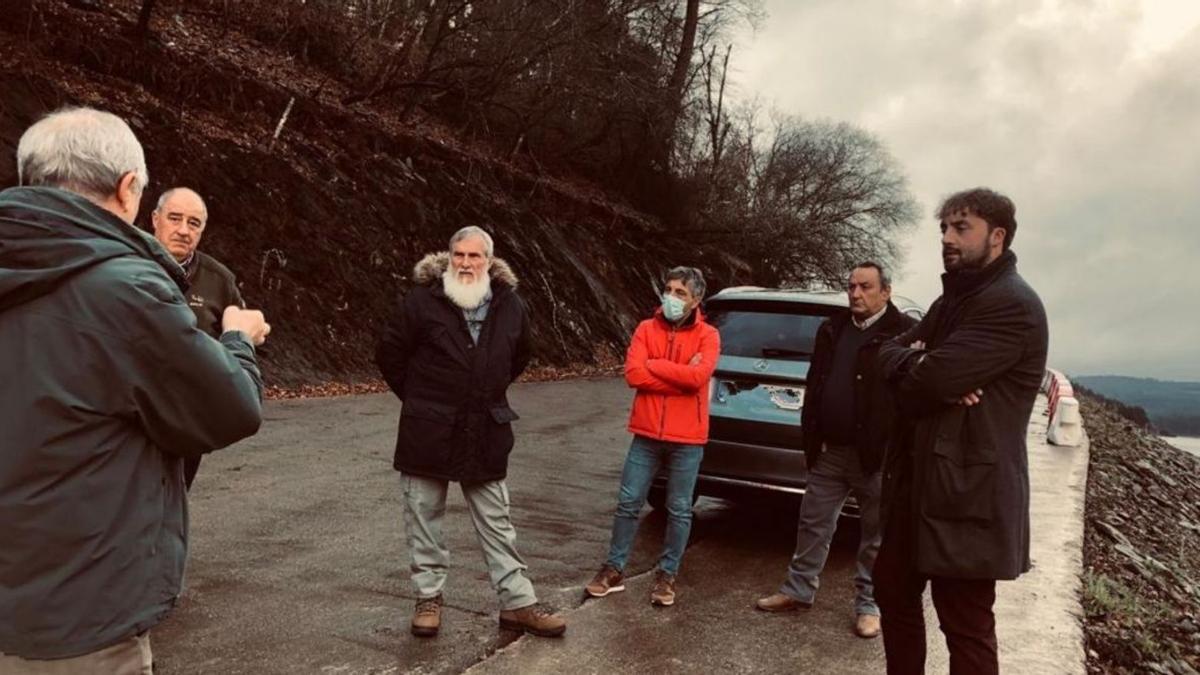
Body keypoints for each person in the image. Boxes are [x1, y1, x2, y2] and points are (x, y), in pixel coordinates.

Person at [0, 107, 270, 672]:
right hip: (79, 617)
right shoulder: (125, 289)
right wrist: (238, 341)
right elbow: (228, 409)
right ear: (129, 192)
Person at [874, 188, 1048, 674]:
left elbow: (929, 382)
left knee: (965, 625)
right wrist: (922, 362)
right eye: (944, 229)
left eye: (960, 228)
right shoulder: (951, 299)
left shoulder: (1010, 304)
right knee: (893, 593)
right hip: (918, 486)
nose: (947, 239)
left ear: (997, 236)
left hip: (967, 494)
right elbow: (886, 353)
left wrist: (927, 369)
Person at [375, 226, 566, 639]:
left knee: (497, 521)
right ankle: (428, 598)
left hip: (486, 428)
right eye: (458, 255)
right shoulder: (421, 301)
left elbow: (520, 355)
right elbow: (389, 352)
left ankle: (518, 603)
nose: (465, 263)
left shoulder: (510, 305)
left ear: (489, 261)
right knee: (423, 516)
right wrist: (420, 397)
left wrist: (484, 392)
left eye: (474, 256)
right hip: (428, 428)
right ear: (448, 257)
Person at [755, 262, 916, 639]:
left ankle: (869, 605)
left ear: (885, 291)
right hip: (830, 450)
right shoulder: (833, 328)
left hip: (877, 456)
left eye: (865, 287)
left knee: (876, 535)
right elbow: (817, 381)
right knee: (812, 522)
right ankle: (798, 591)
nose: (855, 294)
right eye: (851, 286)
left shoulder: (904, 332)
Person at [584, 266, 720, 607]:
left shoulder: (709, 336)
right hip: (645, 435)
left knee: (679, 509)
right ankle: (613, 569)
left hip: (687, 439)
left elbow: (697, 378)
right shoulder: (646, 328)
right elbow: (633, 374)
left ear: (696, 300)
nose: (672, 298)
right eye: (669, 290)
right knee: (628, 504)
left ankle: (667, 574)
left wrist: (656, 366)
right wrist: (679, 374)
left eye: (681, 293)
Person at [150, 186, 246, 489]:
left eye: (194, 223)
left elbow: (239, 341)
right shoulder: (127, 265)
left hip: (187, 420)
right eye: (174, 218)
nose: (183, 230)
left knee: (174, 501)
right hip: (133, 414)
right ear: (155, 219)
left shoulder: (219, 281)